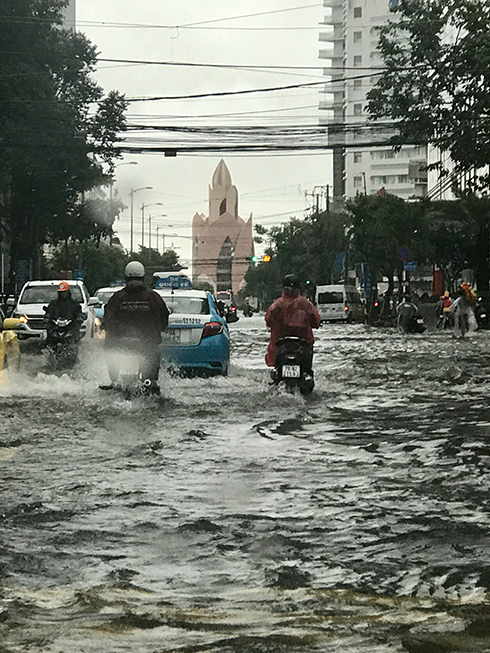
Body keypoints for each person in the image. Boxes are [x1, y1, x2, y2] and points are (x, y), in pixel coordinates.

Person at [101, 261, 169, 394]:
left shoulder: (117, 297)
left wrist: (111, 330)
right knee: (153, 352)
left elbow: (107, 319)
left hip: (121, 342)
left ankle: (114, 379)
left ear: (126, 278)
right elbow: (164, 317)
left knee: (109, 348)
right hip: (146, 342)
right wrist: (159, 329)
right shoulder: (153, 297)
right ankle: (151, 380)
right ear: (143, 277)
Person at [265, 274, 321, 372]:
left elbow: (268, 321)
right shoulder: (307, 305)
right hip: (304, 345)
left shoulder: (276, 305)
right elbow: (316, 321)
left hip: (280, 345)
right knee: (307, 371)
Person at [44, 281, 85, 346]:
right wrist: (47, 319)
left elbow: (79, 312)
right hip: (56, 326)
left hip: (70, 326)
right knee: (49, 337)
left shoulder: (74, 304)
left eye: (64, 292)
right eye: (61, 292)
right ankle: (50, 349)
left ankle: (74, 349)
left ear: (68, 292)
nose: (63, 294)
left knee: (75, 336)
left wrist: (79, 318)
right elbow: (49, 312)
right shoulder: (54, 303)